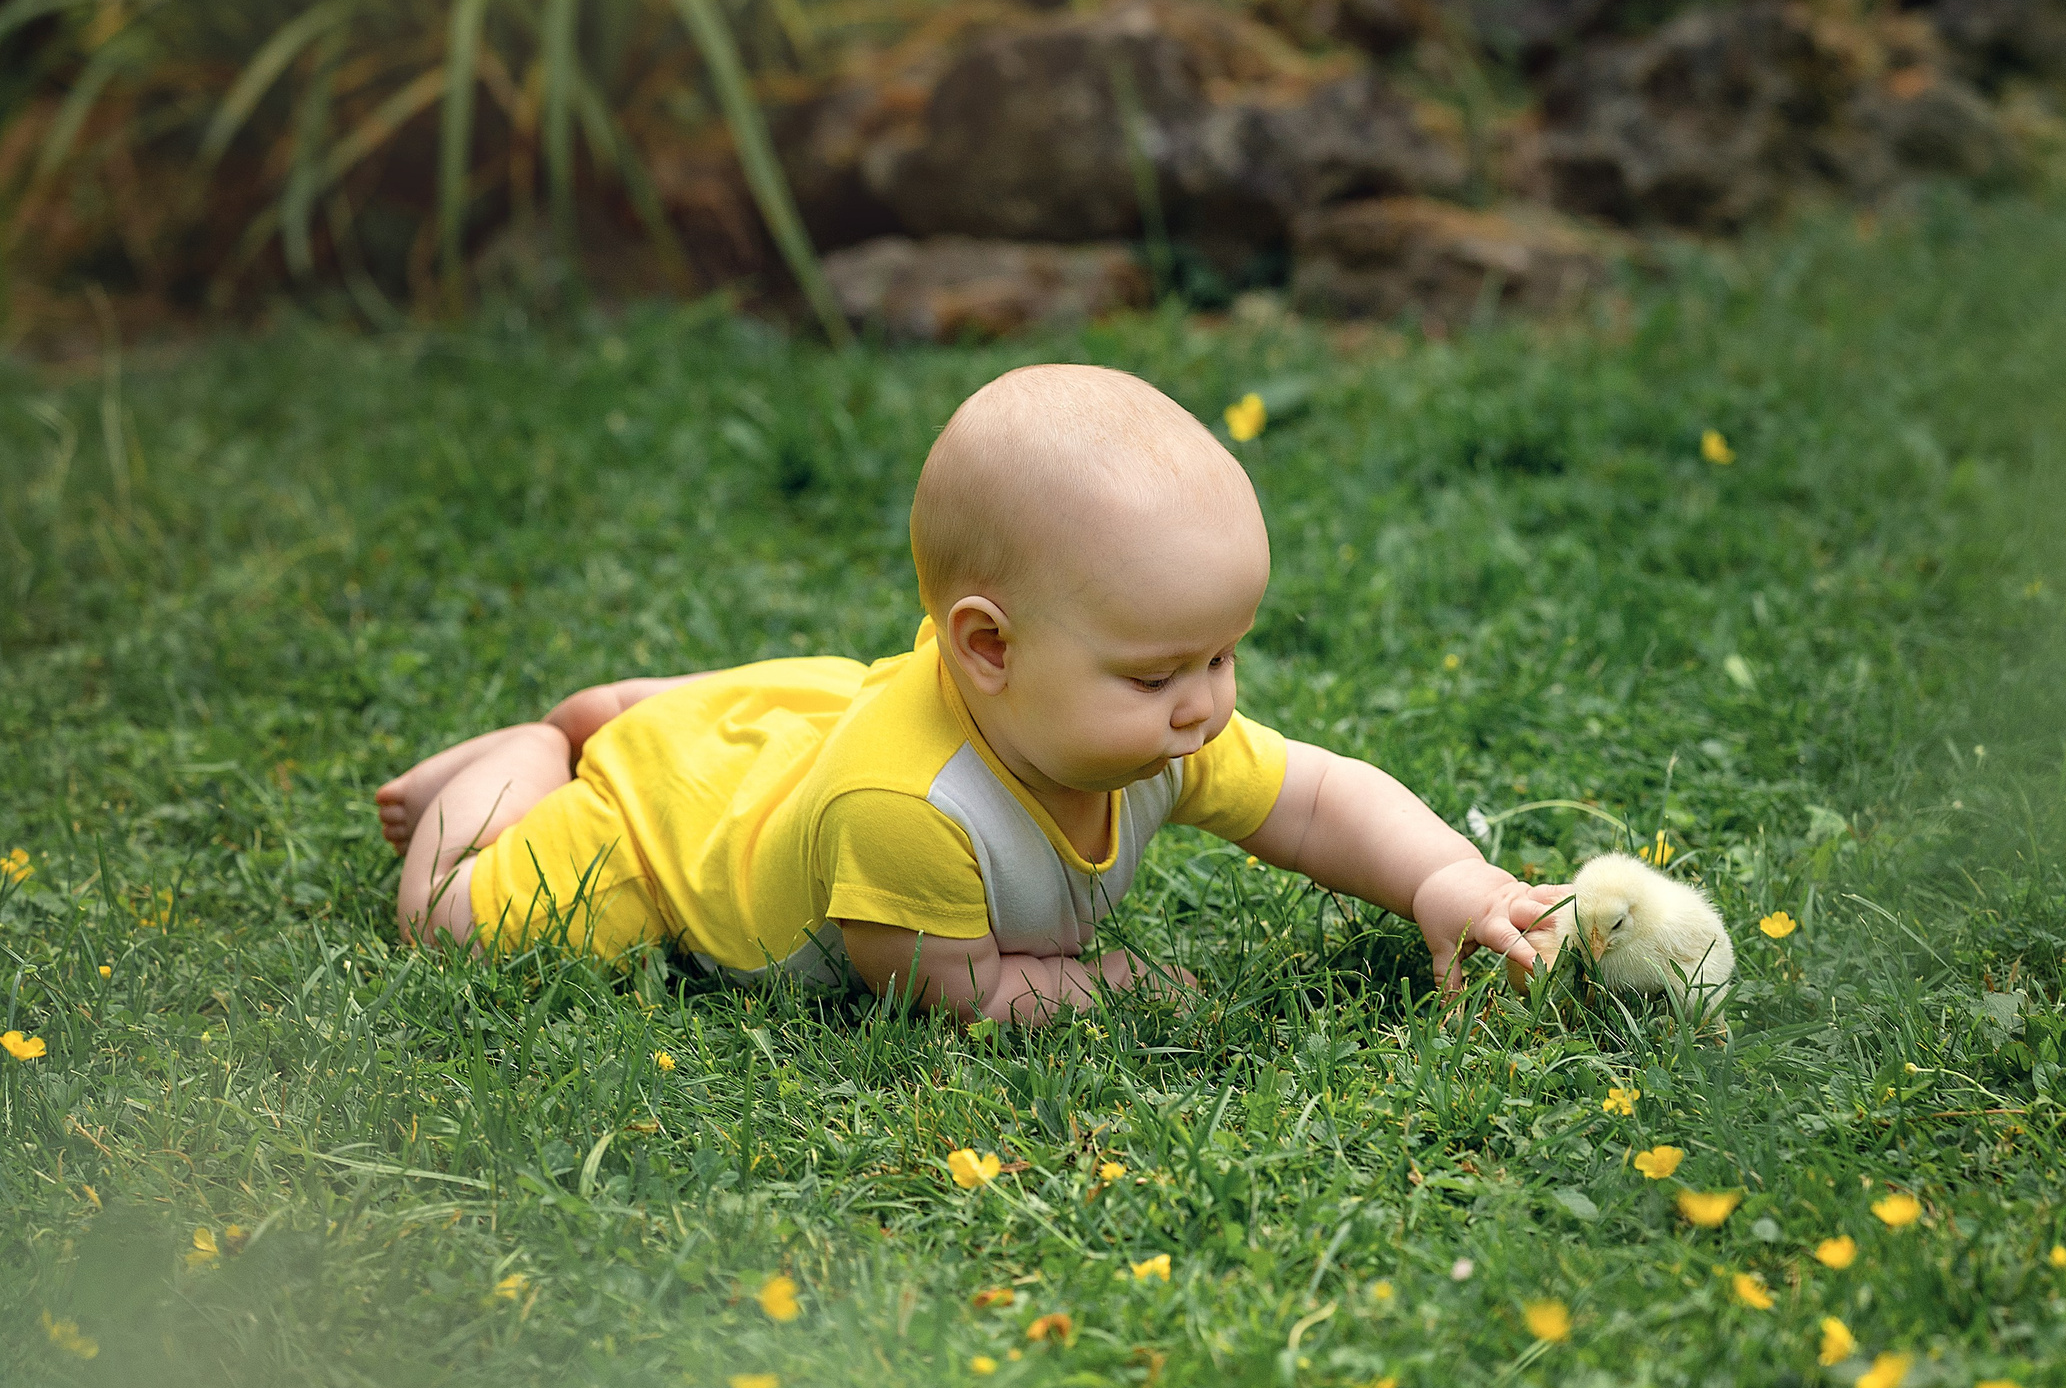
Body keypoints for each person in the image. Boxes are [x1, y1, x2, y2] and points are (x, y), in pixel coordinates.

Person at [374, 363, 1568, 1024]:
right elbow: (956, 985)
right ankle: (531, 753)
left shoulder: (1154, 726)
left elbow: (1313, 798)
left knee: (800, 721)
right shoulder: (911, 810)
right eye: (1158, 671)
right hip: (678, 835)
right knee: (455, 922)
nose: (1204, 705)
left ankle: (639, 710)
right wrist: (1110, 983)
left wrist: (1443, 876)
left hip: (816, 731)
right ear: (988, 647)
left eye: (1222, 656)